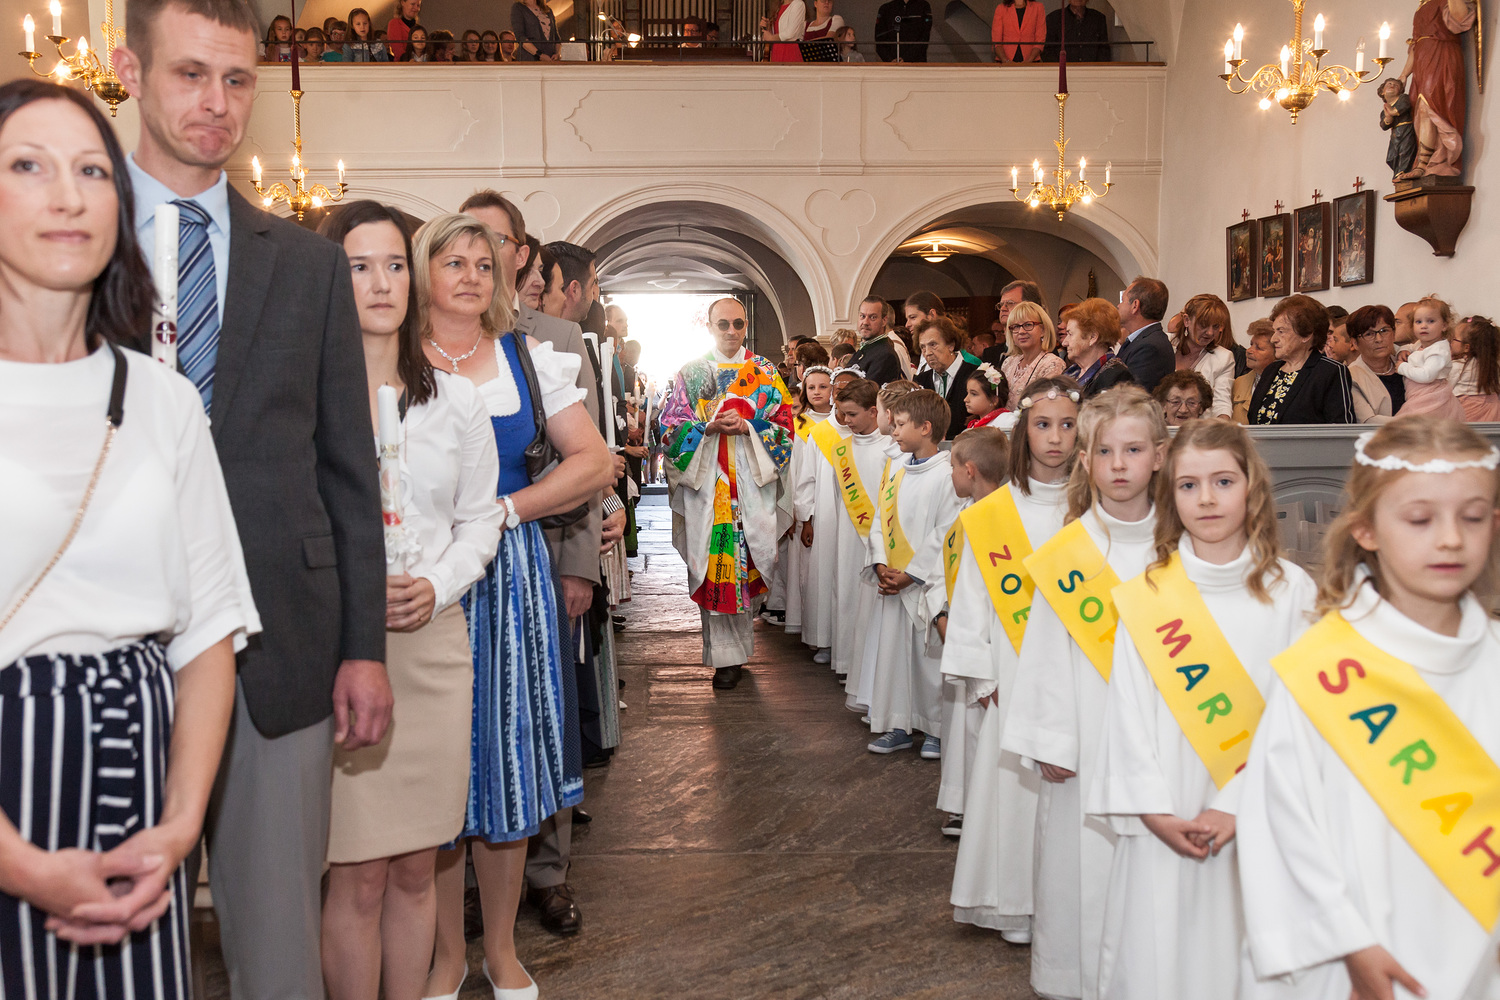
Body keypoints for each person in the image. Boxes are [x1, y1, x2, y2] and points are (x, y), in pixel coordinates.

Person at [115, 1, 393, 995]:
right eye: (190, 73)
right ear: (129, 71)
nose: (216, 102)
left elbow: (348, 469)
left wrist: (363, 646)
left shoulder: (308, 264)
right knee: (112, 948)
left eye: (237, 80)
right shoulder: (68, 238)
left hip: (282, 644)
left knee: (280, 958)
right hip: (109, 649)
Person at [0, 78, 254, 1000]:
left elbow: (210, 631)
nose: (68, 196)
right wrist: (23, 865)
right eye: (28, 166)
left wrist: (178, 831)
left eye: (92, 171)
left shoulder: (163, 399)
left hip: (141, 779)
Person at [417, 214, 612, 1000]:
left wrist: (508, 510)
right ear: (422, 272)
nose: (470, 274)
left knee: (506, 767)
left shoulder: (529, 359)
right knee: (437, 770)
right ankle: (444, 957)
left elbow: (593, 461)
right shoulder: (391, 359)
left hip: (507, 575)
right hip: (422, 579)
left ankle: (499, 951)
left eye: (482, 261)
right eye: (452, 261)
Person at [1238, 416, 1500, 1000]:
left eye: (1473, 516)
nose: (1451, 538)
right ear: (1366, 529)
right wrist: (1348, 944)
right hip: (1353, 955)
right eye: (1420, 519)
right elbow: (1280, 824)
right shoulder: (1325, 666)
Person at [318, 202, 502, 1000]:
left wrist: (437, 583)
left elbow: (480, 518)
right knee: (357, 872)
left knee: (418, 867)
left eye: (394, 264)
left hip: (432, 642)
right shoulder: (306, 397)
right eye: (359, 266)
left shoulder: (454, 401)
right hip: (339, 645)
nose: (381, 282)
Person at [1088, 420, 1315, 1000]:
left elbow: (1305, 718)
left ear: (1251, 487)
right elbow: (1128, 711)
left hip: (1264, 807)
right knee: (1163, 953)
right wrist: (1153, 811)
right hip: (1166, 809)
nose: (1207, 498)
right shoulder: (1149, 593)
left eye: (1223, 481)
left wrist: (1236, 806)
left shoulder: (1294, 592)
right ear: (1170, 495)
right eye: (1189, 485)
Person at [1002, 385, 1167, 1000]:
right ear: (1086, 460)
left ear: (1159, 455)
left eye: (1134, 450)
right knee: (1083, 861)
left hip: (1167, 737)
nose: (1119, 465)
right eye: (1104, 452)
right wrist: (1050, 738)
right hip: (1086, 737)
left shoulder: (1183, 546)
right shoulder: (1070, 552)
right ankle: (1075, 977)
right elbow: (1045, 651)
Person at [946, 378, 1078, 943]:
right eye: (1043, 425)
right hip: (1012, 666)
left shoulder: (1095, 506)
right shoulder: (996, 511)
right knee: (1015, 786)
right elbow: (973, 594)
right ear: (1025, 432)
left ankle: (1067, 907)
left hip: (1081, 667)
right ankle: (1014, 904)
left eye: (1068, 425)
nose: (1056, 438)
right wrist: (983, 675)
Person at [660, 298, 794, 691]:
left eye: (738, 323)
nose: (731, 331)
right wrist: (707, 427)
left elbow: (785, 425)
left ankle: (740, 650)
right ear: (710, 327)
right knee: (717, 565)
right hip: (709, 484)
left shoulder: (765, 371)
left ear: (746, 324)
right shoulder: (693, 372)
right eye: (723, 324)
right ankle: (724, 659)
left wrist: (749, 426)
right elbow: (670, 428)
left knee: (748, 563)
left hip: (751, 484)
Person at [863, 390, 966, 758]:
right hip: (893, 580)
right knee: (895, 657)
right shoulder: (897, 471)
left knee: (928, 661)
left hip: (924, 583)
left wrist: (912, 574)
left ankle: (935, 729)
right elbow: (880, 518)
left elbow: (946, 532)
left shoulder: (946, 475)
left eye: (901, 424)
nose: (893, 431)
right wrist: (880, 564)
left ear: (925, 428)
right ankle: (898, 724)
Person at [1397, 0, 1478, 178]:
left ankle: (1429, 163)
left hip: (1442, 54)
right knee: (1419, 111)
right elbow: (1415, 46)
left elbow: (1461, 19)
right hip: (1422, 60)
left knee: (1432, 106)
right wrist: (1403, 75)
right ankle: (1425, 162)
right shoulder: (1421, 6)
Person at [1248, 295, 1355, 425]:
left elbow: (1341, 428)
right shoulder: (1271, 370)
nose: (1273, 339)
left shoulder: (1330, 372)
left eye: (1281, 331)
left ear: (1306, 334)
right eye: (1274, 331)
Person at [785, 359, 834, 641]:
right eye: (811, 387)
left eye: (823, 387)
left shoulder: (842, 422)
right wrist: (799, 510)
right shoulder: (800, 423)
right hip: (806, 503)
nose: (816, 392)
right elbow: (795, 469)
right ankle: (811, 628)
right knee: (807, 571)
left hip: (833, 505)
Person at [1395, 295, 1465, 419]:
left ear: (1444, 325)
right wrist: (1403, 350)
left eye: (1431, 321)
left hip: (1431, 399)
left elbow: (1427, 375)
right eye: (1418, 322)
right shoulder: (1422, 344)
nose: (1424, 326)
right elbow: (1410, 346)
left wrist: (1402, 367)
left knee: (1409, 425)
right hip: (1417, 396)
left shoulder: (1439, 351)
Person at [914, 316, 979, 440]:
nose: (927, 352)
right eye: (923, 347)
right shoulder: (920, 381)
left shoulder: (975, 374)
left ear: (951, 345)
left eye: (933, 345)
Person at [1171, 293, 1235, 418]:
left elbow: (1222, 403)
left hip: (1199, 426)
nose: (1210, 332)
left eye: (1215, 326)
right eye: (1203, 325)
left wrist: (1222, 424)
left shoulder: (1224, 358)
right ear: (1187, 320)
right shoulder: (1165, 344)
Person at [1060, 296, 1133, 399]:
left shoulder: (1116, 376)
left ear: (1092, 337)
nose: (1064, 343)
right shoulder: (1072, 372)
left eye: (1070, 334)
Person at [1000, 301, 1067, 411]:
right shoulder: (1008, 362)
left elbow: (1047, 407)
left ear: (1043, 330)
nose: (1021, 331)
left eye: (1028, 325)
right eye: (1015, 327)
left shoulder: (1053, 363)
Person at [1116, 277, 1175, 394]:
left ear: (1135, 305)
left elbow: (1133, 396)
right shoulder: (1141, 340)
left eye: (1123, 300)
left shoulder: (1149, 347)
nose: (1118, 305)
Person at [1345, 305, 1398, 423]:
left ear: (1394, 334)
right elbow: (1368, 421)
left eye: (1384, 331)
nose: (1379, 339)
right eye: (1369, 334)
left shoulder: (1408, 364)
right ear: (1355, 343)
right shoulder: (1350, 377)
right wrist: (1416, 424)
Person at [982, 280, 1047, 367]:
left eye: (1010, 303)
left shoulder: (1046, 358)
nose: (1003, 309)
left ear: (1030, 307)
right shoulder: (990, 353)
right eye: (1001, 304)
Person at [853, 295, 913, 384]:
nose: (865, 322)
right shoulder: (867, 348)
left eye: (872, 317)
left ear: (884, 321)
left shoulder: (885, 355)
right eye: (862, 316)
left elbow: (866, 391)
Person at [1451, 314, 1500, 421]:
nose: (1450, 342)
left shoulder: (1458, 366)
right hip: (1493, 413)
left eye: (1454, 338)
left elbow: (1446, 390)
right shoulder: (1493, 366)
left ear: (1466, 347)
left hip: (1467, 412)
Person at [1231, 319, 1276, 424]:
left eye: (1258, 348)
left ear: (1277, 353)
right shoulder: (1238, 383)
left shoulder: (1284, 384)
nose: (1249, 351)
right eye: (1251, 344)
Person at [1043, 0, 1111, 62]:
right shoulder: (1054, 18)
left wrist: (1096, 68)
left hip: (1093, 69)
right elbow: (1048, 51)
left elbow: (1104, 50)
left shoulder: (1099, 18)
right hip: (1062, 69)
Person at [962, 363, 1012, 430]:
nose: (966, 399)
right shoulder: (973, 425)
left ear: (994, 400)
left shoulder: (1007, 422)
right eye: (967, 393)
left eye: (974, 394)